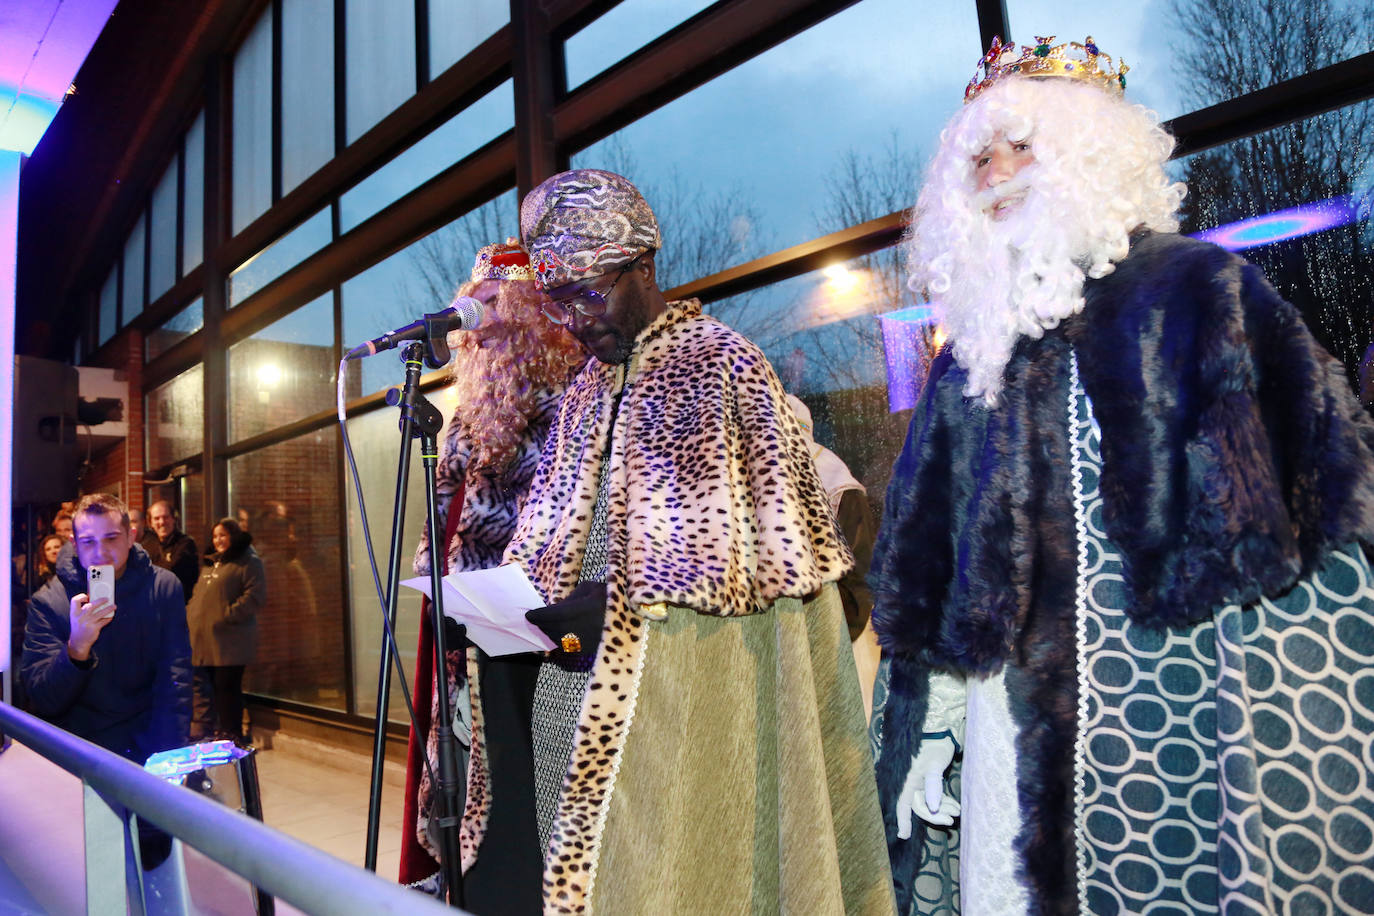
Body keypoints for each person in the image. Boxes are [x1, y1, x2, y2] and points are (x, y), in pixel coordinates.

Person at [869, 37, 1374, 914]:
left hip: (1167, 712)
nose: (997, 173)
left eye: (1022, 145)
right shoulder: (970, 357)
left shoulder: (1193, 292)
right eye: (979, 158)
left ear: (1087, 154)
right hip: (1001, 729)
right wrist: (934, 719)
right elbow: (929, 567)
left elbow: (1318, 520)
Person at [449, 169, 892, 915]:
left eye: (591, 291)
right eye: (560, 299)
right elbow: (545, 546)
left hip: (684, 713)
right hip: (568, 695)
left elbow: (769, 584)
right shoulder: (584, 391)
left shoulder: (724, 368)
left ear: (644, 268)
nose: (577, 317)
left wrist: (613, 609)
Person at [399, 240, 586, 892]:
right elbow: (442, 527)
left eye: (494, 309)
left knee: (532, 829)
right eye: (473, 308)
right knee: (471, 815)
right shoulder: (464, 423)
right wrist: (437, 578)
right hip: (470, 655)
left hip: (548, 661)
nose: (480, 331)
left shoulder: (576, 404)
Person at [21, 493, 192, 763]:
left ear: (130, 536)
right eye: (88, 542)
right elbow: (43, 699)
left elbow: (175, 677)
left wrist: (169, 757)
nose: (100, 552)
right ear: (75, 544)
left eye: (111, 538)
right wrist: (77, 649)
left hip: (148, 745)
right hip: (80, 752)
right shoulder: (49, 601)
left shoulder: (163, 587)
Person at [186, 518, 266, 743]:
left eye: (223, 535)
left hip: (229, 641)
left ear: (233, 535)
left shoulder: (248, 561)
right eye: (215, 536)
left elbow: (255, 596)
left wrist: (228, 614)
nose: (218, 540)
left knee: (227, 689)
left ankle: (232, 733)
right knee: (208, 689)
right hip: (204, 639)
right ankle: (214, 731)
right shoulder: (212, 563)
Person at [146, 500, 199, 601]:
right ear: (151, 523)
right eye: (157, 518)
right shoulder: (148, 545)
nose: (162, 522)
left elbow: (170, 572)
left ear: (174, 519)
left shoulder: (185, 543)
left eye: (166, 517)